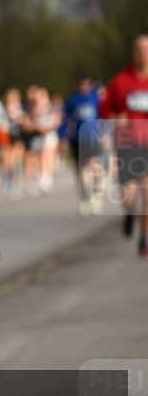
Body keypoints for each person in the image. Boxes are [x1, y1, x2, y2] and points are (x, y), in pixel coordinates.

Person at [100, 34, 148, 258]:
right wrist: (114, 119)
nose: (143, 54)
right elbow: (105, 110)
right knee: (129, 194)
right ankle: (129, 212)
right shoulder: (120, 81)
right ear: (134, 53)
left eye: (146, 50)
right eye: (140, 50)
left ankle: (144, 237)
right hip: (127, 144)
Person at [63, 75, 105, 215]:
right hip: (78, 138)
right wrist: (64, 133)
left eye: (86, 84)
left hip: (93, 137)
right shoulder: (73, 100)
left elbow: (103, 116)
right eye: (81, 84)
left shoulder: (96, 99)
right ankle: (84, 199)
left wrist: (104, 132)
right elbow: (65, 118)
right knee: (81, 169)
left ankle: (97, 194)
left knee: (95, 166)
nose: (84, 87)